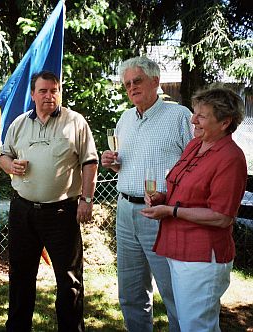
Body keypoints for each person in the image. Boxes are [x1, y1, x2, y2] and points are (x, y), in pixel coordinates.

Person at [141, 87, 247, 332]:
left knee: (197, 326)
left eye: (201, 115)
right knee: (189, 322)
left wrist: (171, 211)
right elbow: (188, 194)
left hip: (202, 257)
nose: (192, 120)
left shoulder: (230, 157)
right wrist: (163, 198)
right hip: (178, 248)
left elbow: (221, 216)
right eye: (194, 113)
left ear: (225, 122)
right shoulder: (194, 146)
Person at [0, 70, 98, 332]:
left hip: (62, 212)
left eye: (54, 90)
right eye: (43, 91)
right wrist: (11, 166)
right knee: (20, 277)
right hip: (23, 211)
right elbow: (3, 156)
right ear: (32, 95)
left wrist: (86, 200)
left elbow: (89, 162)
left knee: (69, 281)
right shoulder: (19, 123)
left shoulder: (75, 122)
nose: (49, 95)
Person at [100, 56, 193, 332]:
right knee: (130, 292)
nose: (131, 88)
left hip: (162, 215)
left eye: (137, 81)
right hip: (126, 211)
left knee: (172, 290)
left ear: (156, 81)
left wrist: (173, 201)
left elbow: (196, 166)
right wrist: (113, 162)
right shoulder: (125, 118)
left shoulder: (180, 116)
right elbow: (125, 165)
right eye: (127, 84)